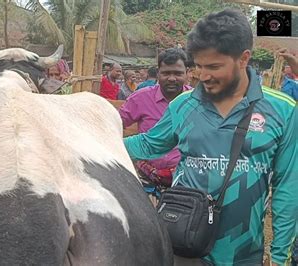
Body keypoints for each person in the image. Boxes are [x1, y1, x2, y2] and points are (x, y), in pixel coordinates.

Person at [123, 9, 297, 266]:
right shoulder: (184, 104)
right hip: (184, 246)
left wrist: (281, 255)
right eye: (199, 66)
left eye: (214, 66)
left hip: (243, 251)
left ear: (243, 59)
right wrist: (96, 143)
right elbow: (149, 144)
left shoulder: (283, 110)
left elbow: (287, 186)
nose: (203, 76)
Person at [119, 48, 191, 202]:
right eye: (166, 73)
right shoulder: (141, 98)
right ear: (158, 73)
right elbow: (117, 123)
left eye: (178, 73)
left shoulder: (195, 102)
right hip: (146, 182)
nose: (172, 78)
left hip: (186, 183)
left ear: (187, 73)